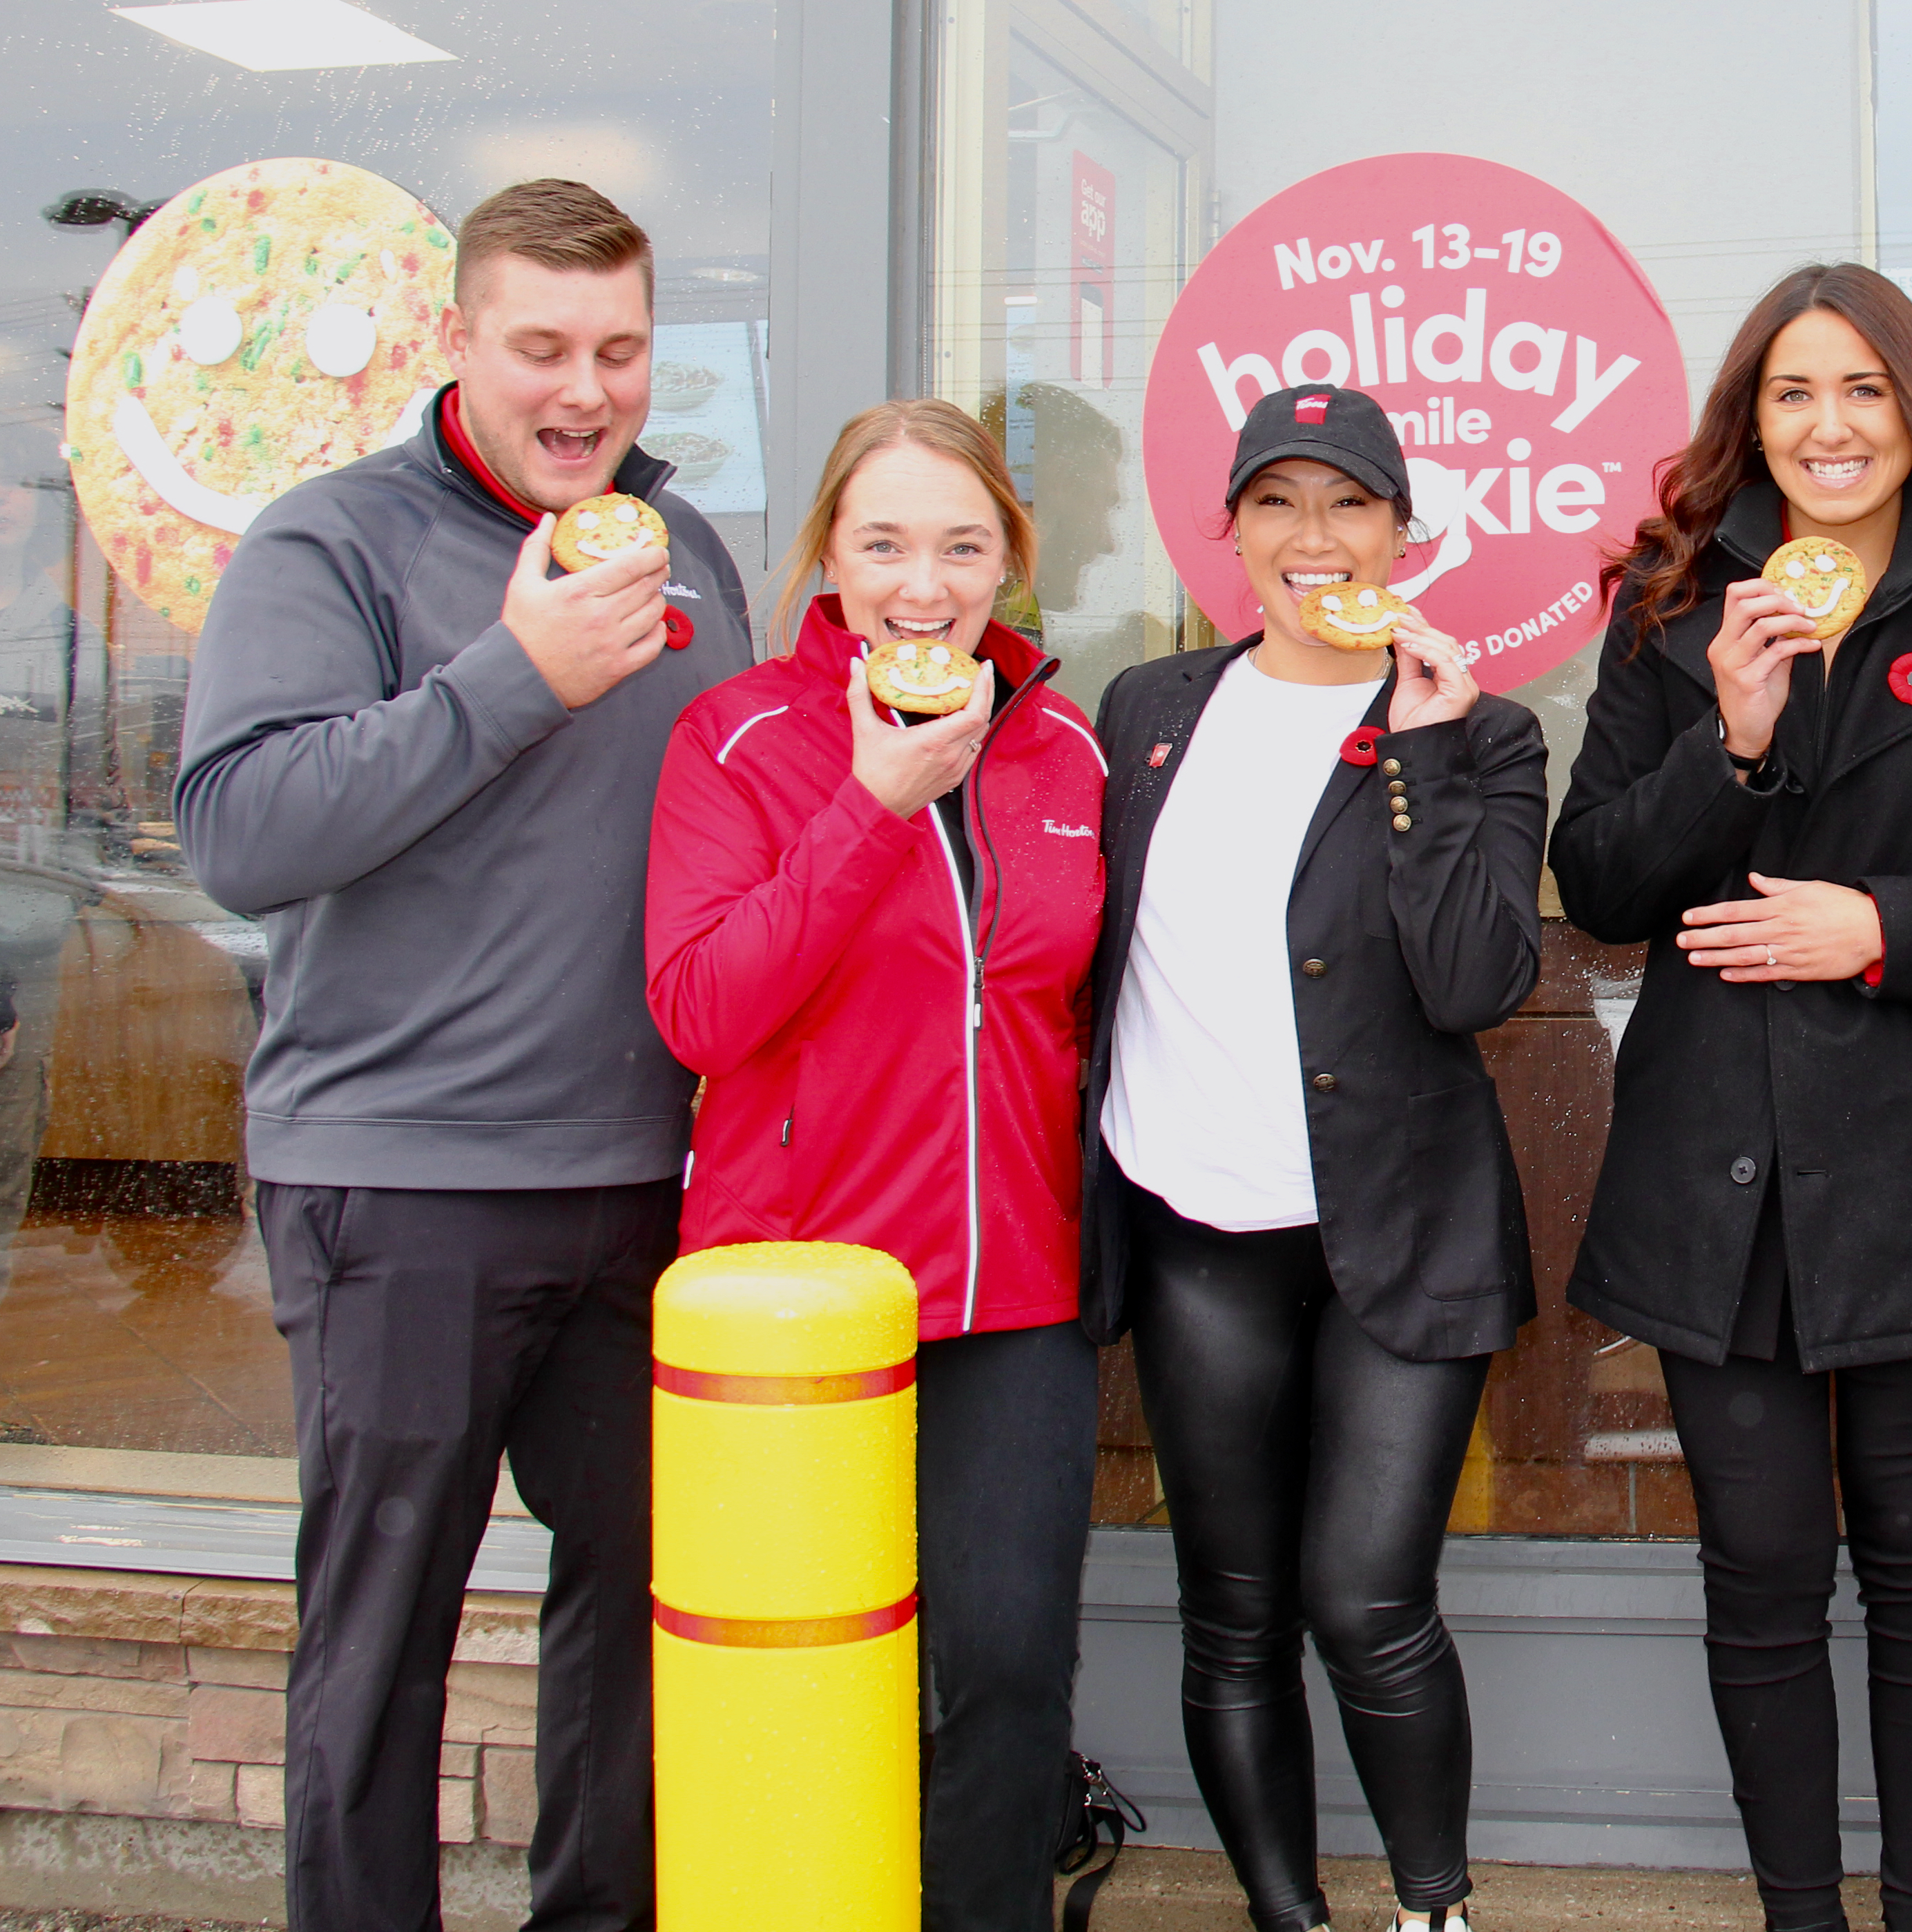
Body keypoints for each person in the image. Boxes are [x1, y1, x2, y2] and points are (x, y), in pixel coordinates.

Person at [173, 177, 746, 1931]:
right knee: (385, 1631)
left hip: (644, 1182)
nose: (585, 392)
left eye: (621, 351)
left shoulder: (690, 551)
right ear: (458, 343)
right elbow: (241, 830)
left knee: (645, 1606)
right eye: (543, 349)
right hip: (400, 1187)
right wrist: (512, 675)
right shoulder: (327, 543)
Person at [1552, 263, 1912, 1932]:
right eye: (1795, 393)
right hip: (1718, 1167)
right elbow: (1599, 888)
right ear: (1753, 422)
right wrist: (1728, 733)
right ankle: (1800, 1914)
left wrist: (1883, 926)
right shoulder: (1669, 603)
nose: (1831, 424)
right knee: (1764, 1569)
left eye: (1864, 388)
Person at [1083, 383, 1543, 1932]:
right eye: (1276, 503)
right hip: (1194, 1232)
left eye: (1350, 504)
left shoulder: (1479, 733)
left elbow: (1477, 982)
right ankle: (1287, 1913)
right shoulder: (1147, 710)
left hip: (1396, 1236)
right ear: (1229, 534)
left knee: (1367, 1598)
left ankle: (1434, 1909)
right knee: (1235, 1615)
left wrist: (1413, 755)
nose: (1315, 538)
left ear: (1405, 532)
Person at [644, 398, 1107, 1931]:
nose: (926, 582)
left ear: (1010, 564)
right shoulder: (740, 737)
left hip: (1012, 1293)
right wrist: (871, 807)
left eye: (964, 544)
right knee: (794, 1667)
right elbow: (702, 1003)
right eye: (887, 541)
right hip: (799, 1295)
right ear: (829, 561)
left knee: (1009, 1666)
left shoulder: (1066, 747)